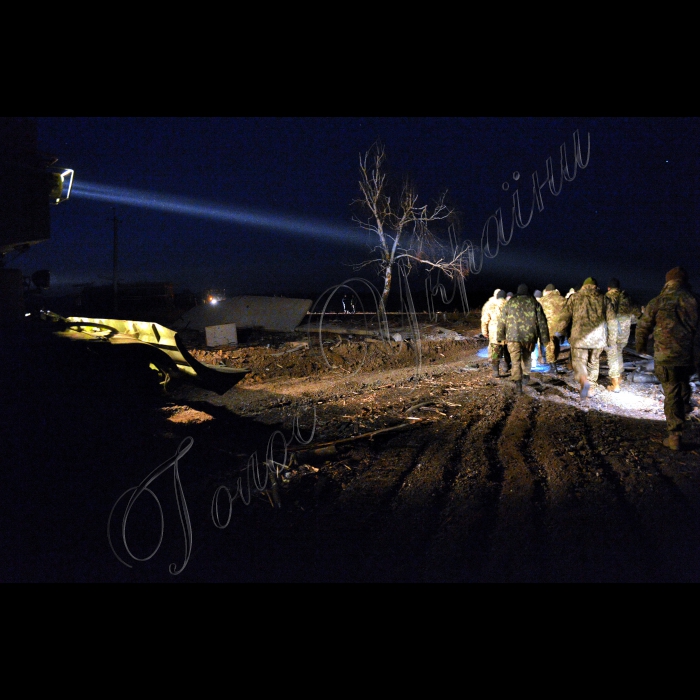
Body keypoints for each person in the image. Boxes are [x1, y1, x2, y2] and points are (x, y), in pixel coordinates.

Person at [635, 266, 700, 450]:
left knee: (671, 391)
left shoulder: (658, 301)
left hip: (666, 356)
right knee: (684, 381)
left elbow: (642, 326)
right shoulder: (695, 300)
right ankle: (684, 407)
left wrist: (641, 347)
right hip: (689, 356)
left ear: (668, 282)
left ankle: (674, 436)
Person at [562, 276, 617, 399]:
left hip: (579, 338)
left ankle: (583, 380)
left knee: (579, 362)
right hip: (598, 339)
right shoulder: (604, 299)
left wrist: (559, 331)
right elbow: (612, 321)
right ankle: (591, 387)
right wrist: (611, 340)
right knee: (593, 362)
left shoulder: (575, 298)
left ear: (583, 286)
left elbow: (565, 317)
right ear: (596, 287)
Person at [496, 283, 550, 394]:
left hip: (513, 337)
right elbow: (542, 322)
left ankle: (518, 384)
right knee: (527, 357)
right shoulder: (534, 303)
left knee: (515, 361)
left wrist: (500, 336)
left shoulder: (510, 303)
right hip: (529, 337)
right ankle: (525, 375)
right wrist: (544, 338)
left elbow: (502, 321)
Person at [603, 278, 641, 393]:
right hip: (624, 331)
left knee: (612, 354)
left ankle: (615, 385)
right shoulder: (627, 298)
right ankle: (619, 377)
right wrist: (627, 322)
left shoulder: (606, 297)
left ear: (609, 288)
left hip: (611, 330)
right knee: (619, 351)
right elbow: (637, 315)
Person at [481, 289, 511, 377]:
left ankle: (496, 371)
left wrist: (484, 331)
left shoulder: (489, 305)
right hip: (508, 333)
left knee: (495, 353)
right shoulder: (510, 305)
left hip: (495, 334)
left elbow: (485, 320)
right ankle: (506, 367)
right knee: (507, 351)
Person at [539, 283, 568, 373]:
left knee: (550, 346)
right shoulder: (563, 299)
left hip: (548, 326)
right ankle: (553, 361)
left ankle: (552, 365)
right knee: (556, 344)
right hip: (561, 327)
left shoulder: (542, 300)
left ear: (546, 291)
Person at [532, 290, 547, 367]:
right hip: (542, 326)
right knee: (542, 343)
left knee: (534, 343)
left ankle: (534, 359)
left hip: (534, 326)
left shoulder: (532, 303)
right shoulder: (544, 302)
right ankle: (543, 358)